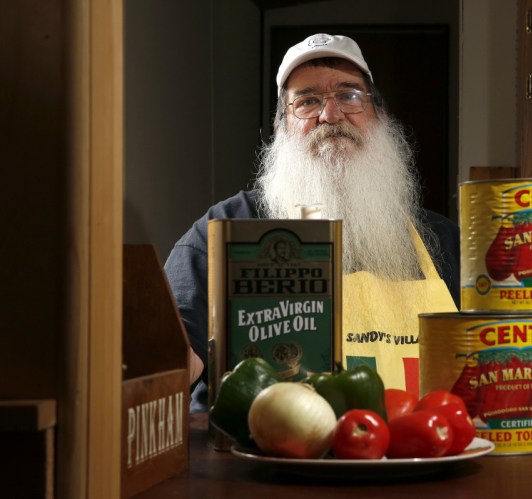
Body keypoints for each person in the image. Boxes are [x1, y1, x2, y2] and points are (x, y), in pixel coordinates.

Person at [165, 33, 460, 412]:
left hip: (422, 456)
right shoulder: (223, 230)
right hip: (265, 466)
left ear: (380, 116)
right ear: (281, 127)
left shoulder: (443, 239)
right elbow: (168, 363)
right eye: (307, 102)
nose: (331, 115)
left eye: (350, 95)